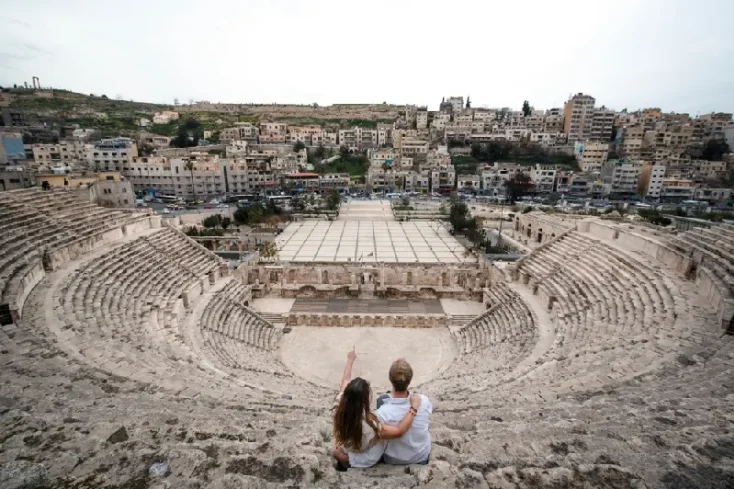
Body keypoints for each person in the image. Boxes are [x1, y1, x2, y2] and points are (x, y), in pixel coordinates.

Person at [332, 347, 422, 469]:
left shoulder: (338, 407)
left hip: (345, 446)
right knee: (377, 446)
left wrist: (350, 360)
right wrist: (414, 408)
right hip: (360, 455)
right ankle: (345, 461)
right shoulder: (371, 423)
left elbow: (345, 381)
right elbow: (399, 431)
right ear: (364, 400)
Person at [375, 359, 432, 465]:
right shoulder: (423, 401)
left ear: (391, 380)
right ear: (409, 381)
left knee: (381, 400)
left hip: (394, 458)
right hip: (421, 455)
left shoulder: (382, 413)